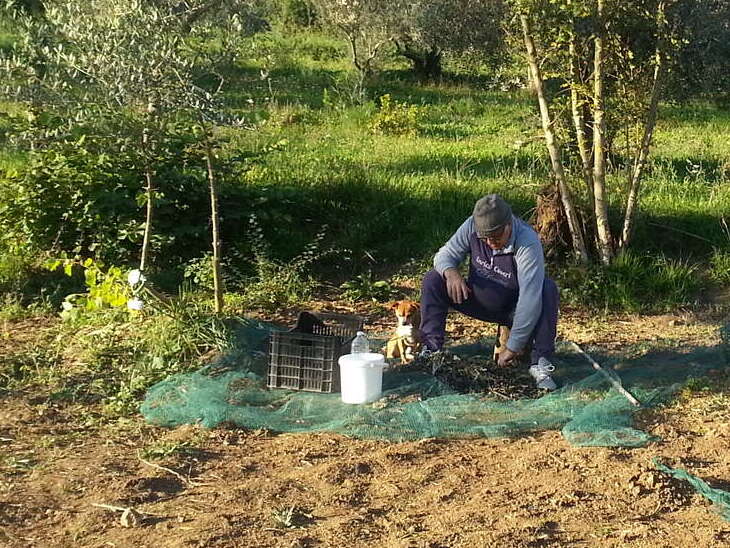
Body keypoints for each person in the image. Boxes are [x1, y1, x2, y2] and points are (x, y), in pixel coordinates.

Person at [419, 194, 560, 390]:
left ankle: (541, 364)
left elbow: (529, 299)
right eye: (484, 238)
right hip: (478, 299)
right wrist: (451, 272)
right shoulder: (472, 226)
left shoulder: (527, 241)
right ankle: (431, 351)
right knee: (433, 279)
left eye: (495, 237)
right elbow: (445, 254)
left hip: (514, 308)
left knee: (547, 290)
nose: (489, 243)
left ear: (508, 225)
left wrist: (513, 347)